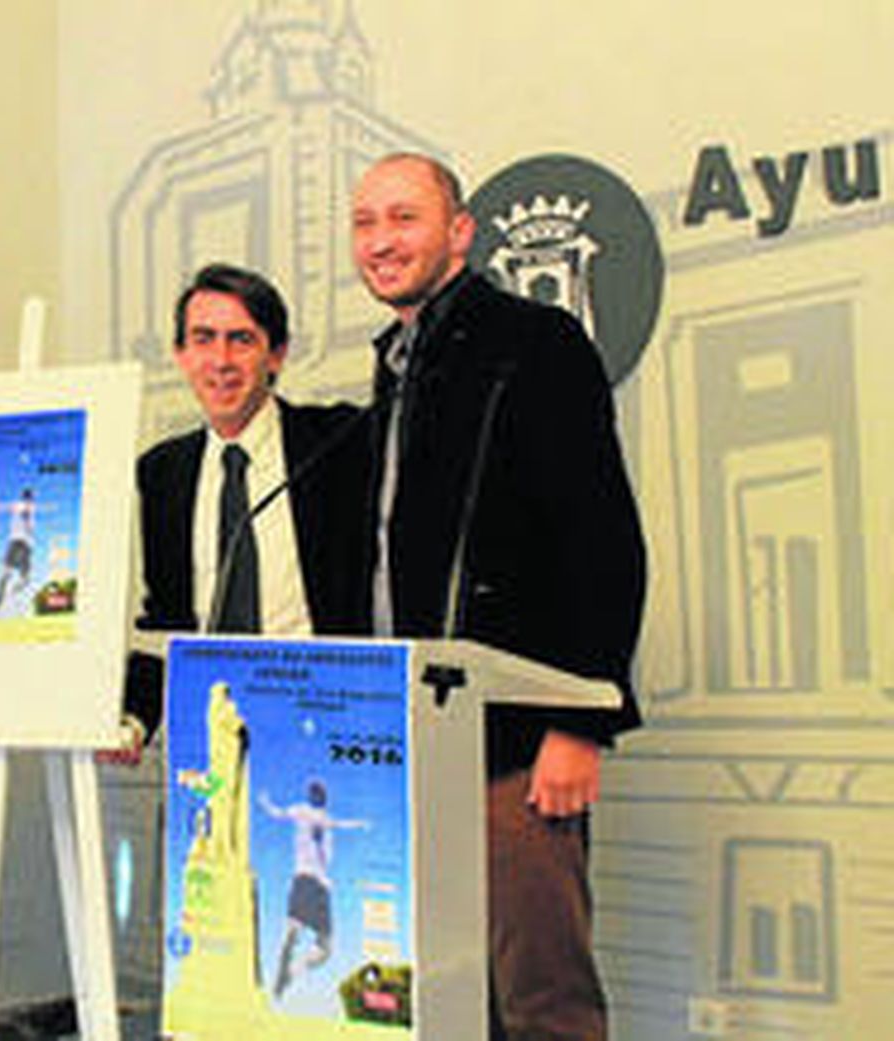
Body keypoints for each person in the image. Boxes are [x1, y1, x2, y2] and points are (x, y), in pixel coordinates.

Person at [350, 153, 646, 1040]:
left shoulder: (536, 343)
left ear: (461, 232)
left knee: (542, 1004)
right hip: (414, 748)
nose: (380, 240)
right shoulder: (398, 362)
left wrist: (580, 720)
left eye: (404, 218)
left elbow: (602, 539)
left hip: (517, 747)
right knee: (443, 1000)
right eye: (364, 223)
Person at [113, 262, 371, 757]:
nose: (221, 360)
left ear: (276, 355)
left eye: (242, 340)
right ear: (181, 355)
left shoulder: (341, 443)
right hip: (214, 734)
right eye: (204, 339)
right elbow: (166, 621)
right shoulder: (163, 472)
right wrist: (135, 719)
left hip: (330, 727)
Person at [258, 780, 369, 998]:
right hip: (313, 883)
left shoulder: (316, 815)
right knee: (319, 944)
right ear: (314, 796)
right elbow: (280, 814)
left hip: (309, 881)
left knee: (307, 938)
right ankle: (288, 971)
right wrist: (266, 804)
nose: (319, 798)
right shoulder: (311, 814)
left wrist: (265, 803)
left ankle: (287, 972)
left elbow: (279, 814)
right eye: (316, 794)